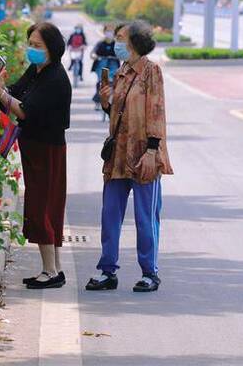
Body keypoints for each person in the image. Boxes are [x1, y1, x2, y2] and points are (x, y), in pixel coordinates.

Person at [86, 20, 173, 293]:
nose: (116, 42)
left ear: (134, 42)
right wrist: (106, 102)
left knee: (145, 215)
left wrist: (151, 151)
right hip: (118, 154)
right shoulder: (121, 71)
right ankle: (107, 270)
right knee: (110, 213)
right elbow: (118, 113)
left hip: (144, 152)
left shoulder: (151, 71)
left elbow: (156, 111)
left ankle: (150, 272)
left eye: (121, 37)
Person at [0, 22, 72, 289]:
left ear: (52, 48)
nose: (32, 50)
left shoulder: (55, 78)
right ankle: (53, 269)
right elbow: (13, 93)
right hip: (34, 146)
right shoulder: (37, 71)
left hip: (47, 149)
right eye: (30, 44)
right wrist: (1, 87)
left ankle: (50, 271)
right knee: (44, 204)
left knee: (42, 206)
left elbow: (24, 110)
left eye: (38, 46)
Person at [90, 24, 119, 109]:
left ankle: (112, 100)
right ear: (104, 32)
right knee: (101, 82)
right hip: (101, 64)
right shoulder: (100, 43)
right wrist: (95, 56)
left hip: (113, 65)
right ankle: (97, 101)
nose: (109, 33)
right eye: (108, 31)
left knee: (112, 82)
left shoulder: (117, 44)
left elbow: (123, 54)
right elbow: (92, 53)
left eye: (111, 31)